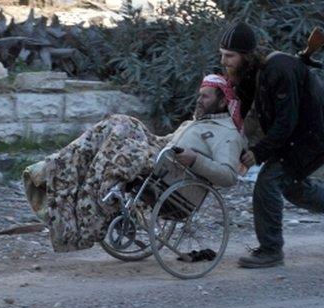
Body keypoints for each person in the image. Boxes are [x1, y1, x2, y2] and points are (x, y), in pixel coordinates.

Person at [23, 74, 247, 253]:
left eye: (206, 97)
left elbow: (228, 176)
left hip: (175, 172)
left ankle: (81, 211)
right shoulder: (198, 122)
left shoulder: (227, 134)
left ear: (222, 101)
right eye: (200, 95)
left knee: (125, 150)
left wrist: (195, 159)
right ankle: (57, 169)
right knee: (120, 122)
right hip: (160, 153)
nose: (199, 100)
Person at [218, 22, 324, 268]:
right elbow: (240, 110)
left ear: (246, 54)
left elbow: (286, 123)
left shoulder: (280, 69)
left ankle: (271, 250)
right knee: (292, 187)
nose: (224, 62)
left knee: (268, 182)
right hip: (297, 137)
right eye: (222, 55)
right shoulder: (249, 73)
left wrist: (257, 152)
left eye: (230, 56)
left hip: (315, 138)